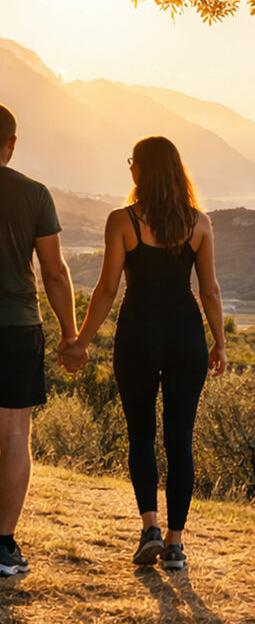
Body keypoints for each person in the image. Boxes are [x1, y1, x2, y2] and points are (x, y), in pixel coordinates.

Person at [62, 136, 226, 570]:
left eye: (132, 162)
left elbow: (107, 290)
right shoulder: (199, 224)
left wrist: (81, 340)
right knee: (179, 439)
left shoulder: (122, 221)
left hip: (137, 335)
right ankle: (175, 545)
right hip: (186, 338)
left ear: (142, 170)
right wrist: (219, 342)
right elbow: (208, 291)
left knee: (141, 435)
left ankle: (150, 528)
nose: (129, 168)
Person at [0, 104, 78, 577]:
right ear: (11, 144)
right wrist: (71, 334)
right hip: (16, 327)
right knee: (13, 434)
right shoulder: (34, 194)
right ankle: (3, 546)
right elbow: (54, 270)